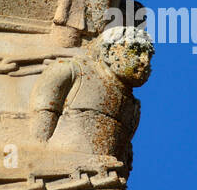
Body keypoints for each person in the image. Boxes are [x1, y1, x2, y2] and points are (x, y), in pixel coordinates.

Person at [29, 26, 153, 174]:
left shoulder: (133, 107)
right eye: (136, 51)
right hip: (58, 173)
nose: (145, 61)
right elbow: (38, 140)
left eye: (149, 56)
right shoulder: (72, 71)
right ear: (109, 52)